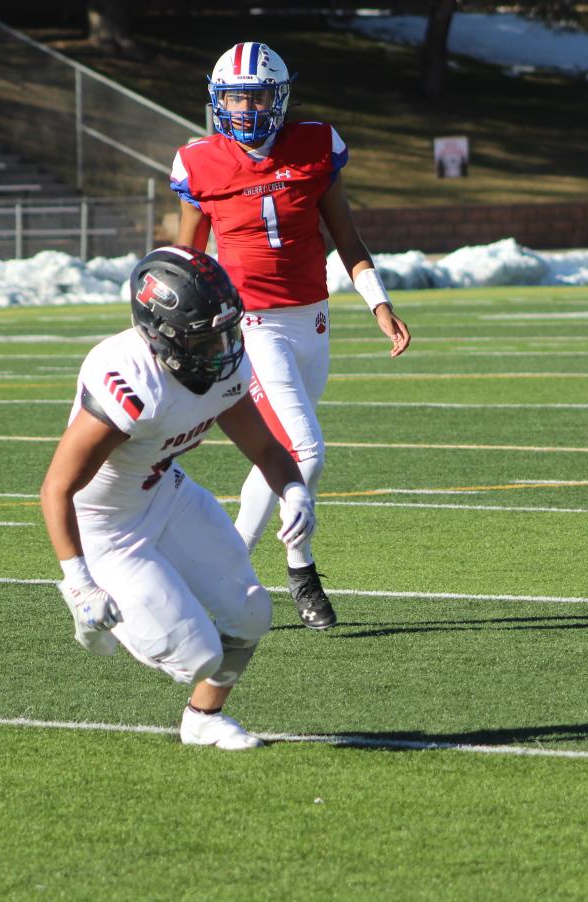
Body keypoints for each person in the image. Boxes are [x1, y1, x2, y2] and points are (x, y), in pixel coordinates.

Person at [170, 41, 412, 631]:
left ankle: (255, 572)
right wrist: (183, 336)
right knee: (306, 450)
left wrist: (379, 304)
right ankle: (282, 572)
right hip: (250, 325)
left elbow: (348, 242)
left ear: (279, 98)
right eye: (234, 96)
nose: (246, 107)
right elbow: (184, 261)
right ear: (217, 100)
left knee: (275, 454)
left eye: (255, 95)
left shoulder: (315, 145)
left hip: (313, 321)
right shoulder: (200, 162)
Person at [40, 245, 317, 751]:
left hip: (164, 493)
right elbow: (57, 488)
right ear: (161, 334)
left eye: (224, 331)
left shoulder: (220, 366)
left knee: (252, 613)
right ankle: (92, 610)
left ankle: (203, 718)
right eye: (205, 337)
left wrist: (294, 490)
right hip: (106, 528)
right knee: (200, 654)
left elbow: (263, 447)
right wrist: (79, 582)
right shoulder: (130, 382)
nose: (222, 347)